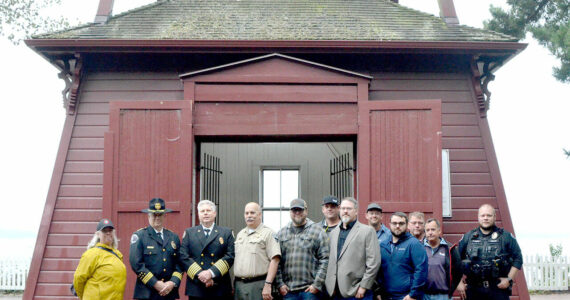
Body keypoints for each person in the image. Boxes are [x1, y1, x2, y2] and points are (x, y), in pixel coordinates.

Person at [456, 204, 523, 300]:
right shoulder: (468, 237)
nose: (485, 218)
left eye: (489, 215)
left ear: (494, 217)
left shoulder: (506, 236)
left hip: (498, 289)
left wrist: (509, 279)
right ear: (478, 217)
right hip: (473, 290)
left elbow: (518, 258)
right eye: (483, 215)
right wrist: (458, 282)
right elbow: (455, 260)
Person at [325, 197, 381, 300]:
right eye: (343, 208)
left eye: (349, 209)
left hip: (357, 291)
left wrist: (364, 286)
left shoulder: (367, 231)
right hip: (335, 292)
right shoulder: (333, 233)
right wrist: (330, 285)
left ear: (356, 211)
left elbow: (374, 263)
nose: (345, 211)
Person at [180, 200, 235, 299]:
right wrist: (201, 275)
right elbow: (183, 256)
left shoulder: (226, 233)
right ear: (198, 214)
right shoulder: (189, 233)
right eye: (202, 211)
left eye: (208, 210)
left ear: (215, 213)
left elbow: (230, 256)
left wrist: (211, 273)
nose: (205, 213)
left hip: (220, 286)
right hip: (196, 287)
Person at [129, 198, 183, 300]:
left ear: (165, 216)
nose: (157, 218)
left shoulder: (173, 237)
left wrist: (172, 282)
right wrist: (155, 283)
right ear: (148, 215)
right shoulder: (140, 236)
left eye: (160, 215)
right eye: (154, 215)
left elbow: (179, 264)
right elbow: (136, 264)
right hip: (147, 293)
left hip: (169, 292)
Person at [276, 198, 329, 300]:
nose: (297, 212)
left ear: (306, 211)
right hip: (288, 292)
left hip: (310, 292)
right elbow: (276, 262)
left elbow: (325, 259)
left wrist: (317, 285)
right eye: (294, 210)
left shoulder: (318, 231)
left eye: (300, 210)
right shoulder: (281, 233)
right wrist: (280, 284)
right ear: (290, 212)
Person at [234, 202, 282, 300]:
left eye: (252, 213)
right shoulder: (240, 234)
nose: (249, 216)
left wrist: (268, 284)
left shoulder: (268, 233)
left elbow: (275, 259)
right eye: (246, 213)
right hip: (239, 285)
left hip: (258, 285)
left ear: (260, 214)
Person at [377, 212, 428, 300]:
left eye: (401, 223)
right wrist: (378, 292)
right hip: (386, 296)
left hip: (406, 296)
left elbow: (421, 270)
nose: (397, 226)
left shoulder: (414, 244)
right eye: (394, 223)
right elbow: (379, 271)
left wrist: (413, 294)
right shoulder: (383, 245)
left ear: (407, 225)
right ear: (389, 225)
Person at [73, 218, 127, 300]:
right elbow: (78, 279)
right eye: (104, 231)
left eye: (110, 230)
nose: (108, 233)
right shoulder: (91, 254)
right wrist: (82, 297)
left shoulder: (117, 255)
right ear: (98, 234)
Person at [422, 218, 462, 300]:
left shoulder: (450, 249)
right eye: (427, 230)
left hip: (443, 296)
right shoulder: (419, 248)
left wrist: (451, 290)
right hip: (424, 295)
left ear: (439, 231)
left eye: (433, 229)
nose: (430, 233)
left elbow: (458, 271)